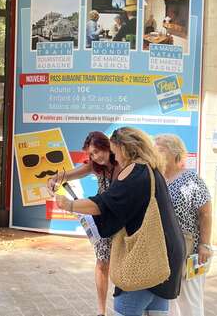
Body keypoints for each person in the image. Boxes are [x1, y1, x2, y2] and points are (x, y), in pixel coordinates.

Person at [53, 127, 185, 316]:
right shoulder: (151, 168)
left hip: (145, 258)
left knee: (124, 308)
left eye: (115, 152)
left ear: (124, 149)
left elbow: (104, 205)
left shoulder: (135, 170)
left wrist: (69, 205)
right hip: (165, 257)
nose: (116, 158)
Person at [47, 131, 121, 316]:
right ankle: (101, 311)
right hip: (102, 220)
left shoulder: (122, 164)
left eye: (98, 151)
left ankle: (124, 305)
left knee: (122, 263)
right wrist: (54, 179)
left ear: (107, 146)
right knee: (102, 263)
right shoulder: (96, 166)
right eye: (92, 154)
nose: (96, 157)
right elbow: (72, 174)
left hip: (123, 221)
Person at [154, 134, 212, 316]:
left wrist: (204, 244)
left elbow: (206, 213)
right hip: (165, 250)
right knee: (169, 302)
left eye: (161, 149)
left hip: (190, 250)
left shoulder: (191, 179)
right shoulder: (158, 179)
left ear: (175, 153)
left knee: (190, 302)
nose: (156, 152)